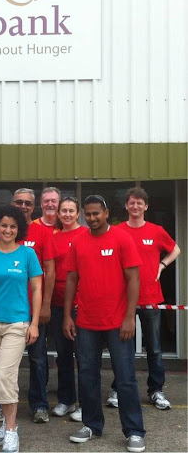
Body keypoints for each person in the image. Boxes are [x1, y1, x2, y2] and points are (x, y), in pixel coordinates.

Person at [63, 195, 146, 453]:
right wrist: (67, 315)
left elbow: (133, 279)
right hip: (86, 322)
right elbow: (71, 279)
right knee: (87, 376)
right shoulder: (78, 241)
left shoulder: (122, 238)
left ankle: (134, 431)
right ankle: (91, 425)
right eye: (87, 214)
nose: (91, 218)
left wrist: (129, 317)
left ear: (106, 213)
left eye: (96, 213)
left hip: (117, 322)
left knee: (125, 378)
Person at [0, 205, 42, 453]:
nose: (8, 230)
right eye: (3, 225)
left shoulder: (27, 254)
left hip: (17, 323)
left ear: (19, 229)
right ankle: (5, 424)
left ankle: (11, 431)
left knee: (5, 376)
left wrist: (34, 323)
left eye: (13, 226)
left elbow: (36, 289)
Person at [106, 187, 180, 410]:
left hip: (150, 298)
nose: (135, 206)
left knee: (154, 349)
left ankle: (156, 390)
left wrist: (162, 265)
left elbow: (175, 250)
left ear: (146, 206)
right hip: (123, 301)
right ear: (126, 206)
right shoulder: (117, 231)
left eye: (139, 203)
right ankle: (120, 388)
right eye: (132, 203)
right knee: (122, 349)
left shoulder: (156, 231)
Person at [11, 188, 55, 424]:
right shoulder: (4, 230)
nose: (23, 206)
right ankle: (2, 404)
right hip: (9, 309)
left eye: (27, 203)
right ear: (12, 203)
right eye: (19, 202)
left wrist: (46, 304)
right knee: (7, 361)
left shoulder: (42, 232)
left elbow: (50, 271)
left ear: (33, 206)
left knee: (37, 359)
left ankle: (39, 405)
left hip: (34, 309)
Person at [50, 196, 85, 422]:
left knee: (83, 356)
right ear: (58, 213)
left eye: (71, 210)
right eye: (64, 210)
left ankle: (85, 403)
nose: (67, 214)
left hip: (81, 304)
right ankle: (66, 400)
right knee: (63, 355)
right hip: (58, 303)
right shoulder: (53, 238)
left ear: (78, 213)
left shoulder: (86, 234)